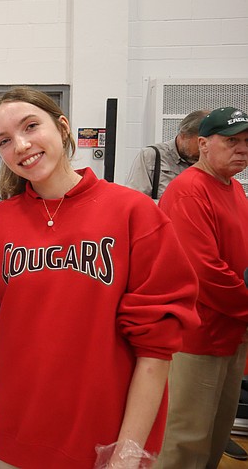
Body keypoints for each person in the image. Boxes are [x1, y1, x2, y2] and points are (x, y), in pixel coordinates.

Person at [0, 87, 200, 469]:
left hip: (102, 444)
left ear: (63, 127)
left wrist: (130, 449)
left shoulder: (133, 213)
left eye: (31, 126)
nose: (20, 145)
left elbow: (156, 349)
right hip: (13, 438)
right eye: (4, 140)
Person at [155, 107, 248, 468]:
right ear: (204, 144)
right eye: (231, 141)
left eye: (245, 142)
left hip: (231, 329)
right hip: (199, 336)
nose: (241, 150)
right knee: (185, 442)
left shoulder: (234, 189)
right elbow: (203, 272)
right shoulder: (188, 192)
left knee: (217, 434)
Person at [125, 110, 207, 200]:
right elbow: (135, 201)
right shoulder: (151, 156)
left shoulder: (212, 160)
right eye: (200, 144)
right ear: (183, 135)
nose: (204, 151)